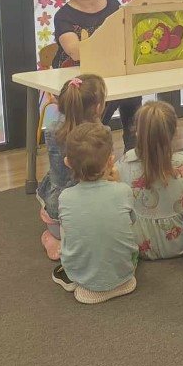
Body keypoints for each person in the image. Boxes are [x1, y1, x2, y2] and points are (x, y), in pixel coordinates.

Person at [52, 0, 140, 149]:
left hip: (109, 70)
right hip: (78, 79)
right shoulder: (63, 15)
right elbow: (76, 52)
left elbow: (126, 39)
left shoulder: (114, 6)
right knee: (99, 99)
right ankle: (93, 149)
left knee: (132, 94)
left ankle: (133, 151)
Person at [52, 123, 138, 305]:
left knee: (68, 229)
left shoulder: (65, 197)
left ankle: (79, 276)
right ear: (111, 161)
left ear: (67, 163)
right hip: (125, 275)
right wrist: (118, 184)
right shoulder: (123, 190)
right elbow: (131, 223)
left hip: (84, 280)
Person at [117, 100, 183, 260]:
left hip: (142, 246)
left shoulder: (125, 161)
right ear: (174, 132)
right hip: (181, 243)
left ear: (137, 132)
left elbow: (120, 198)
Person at [36, 74, 109, 260]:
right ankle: (67, 241)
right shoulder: (102, 135)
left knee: (63, 230)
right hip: (89, 214)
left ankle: (55, 239)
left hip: (57, 213)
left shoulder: (53, 131)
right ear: (98, 108)